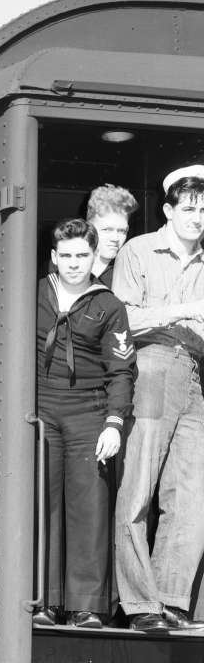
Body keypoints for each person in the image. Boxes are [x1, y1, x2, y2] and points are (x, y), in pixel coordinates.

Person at [112, 164, 204, 633]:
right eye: (189, 208)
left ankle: (169, 600)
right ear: (168, 210)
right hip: (149, 367)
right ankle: (138, 604)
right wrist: (187, 310)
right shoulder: (138, 251)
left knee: (192, 496)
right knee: (138, 488)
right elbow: (122, 316)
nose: (198, 217)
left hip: (194, 373)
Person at [33, 219, 135, 629]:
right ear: (54, 257)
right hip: (41, 408)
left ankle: (87, 605)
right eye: (67, 256)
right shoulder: (34, 294)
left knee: (88, 507)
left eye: (83, 256)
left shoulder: (109, 306)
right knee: (42, 503)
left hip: (89, 411)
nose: (74, 264)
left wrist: (114, 423)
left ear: (95, 258)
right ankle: (44, 601)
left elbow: (122, 370)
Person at [86, 184, 138, 287]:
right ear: (89, 228)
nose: (115, 238)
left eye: (122, 231)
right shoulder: (62, 267)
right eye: (107, 230)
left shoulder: (131, 274)